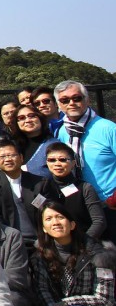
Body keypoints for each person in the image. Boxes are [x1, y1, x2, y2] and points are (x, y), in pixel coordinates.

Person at [30, 201, 116, 306]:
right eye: (48, 219)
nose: (55, 222)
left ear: (72, 224)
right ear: (44, 228)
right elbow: (43, 290)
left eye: (60, 217)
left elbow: (106, 300)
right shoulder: (39, 257)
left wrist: (65, 304)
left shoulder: (99, 253)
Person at [55, 80, 116, 240]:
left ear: (87, 100)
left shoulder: (108, 128)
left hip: (109, 206)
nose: (71, 103)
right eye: (65, 100)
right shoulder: (62, 132)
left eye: (77, 98)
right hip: (80, 206)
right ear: (59, 105)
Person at [33, 142, 107, 241]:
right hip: (53, 245)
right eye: (52, 160)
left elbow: (99, 221)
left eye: (63, 160)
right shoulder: (41, 188)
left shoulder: (85, 188)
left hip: (84, 243)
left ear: (73, 163)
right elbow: (36, 216)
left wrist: (84, 242)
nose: (57, 164)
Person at [0, 138, 43, 246]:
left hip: (39, 240)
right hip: (10, 241)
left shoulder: (39, 182)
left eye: (12, 155)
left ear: (21, 157)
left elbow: (45, 210)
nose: (8, 159)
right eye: (2, 157)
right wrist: (10, 240)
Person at [13, 104, 57, 176]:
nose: (28, 120)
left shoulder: (54, 145)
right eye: (21, 118)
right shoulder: (14, 146)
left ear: (40, 118)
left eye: (32, 116)